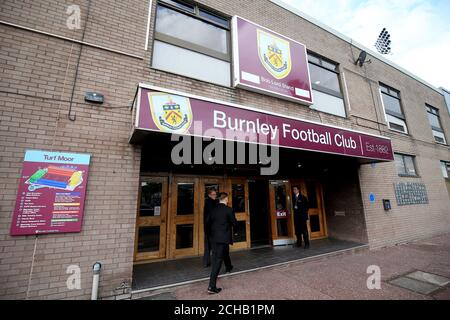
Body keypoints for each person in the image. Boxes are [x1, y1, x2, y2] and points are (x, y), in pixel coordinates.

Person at [206, 192, 237, 294]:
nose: (228, 200)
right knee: (217, 261)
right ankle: (211, 286)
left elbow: (207, 223)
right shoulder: (229, 209)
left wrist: (210, 235)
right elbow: (234, 223)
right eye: (228, 198)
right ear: (226, 199)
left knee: (221, 255)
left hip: (213, 238)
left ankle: (229, 266)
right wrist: (236, 231)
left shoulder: (213, 210)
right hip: (222, 238)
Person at [203, 187, 217, 267]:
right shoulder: (210, 203)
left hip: (208, 227)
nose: (215, 196)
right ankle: (213, 262)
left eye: (215, 194)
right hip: (210, 228)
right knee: (212, 246)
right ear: (209, 195)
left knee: (208, 246)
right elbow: (210, 216)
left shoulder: (210, 202)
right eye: (213, 194)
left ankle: (207, 262)